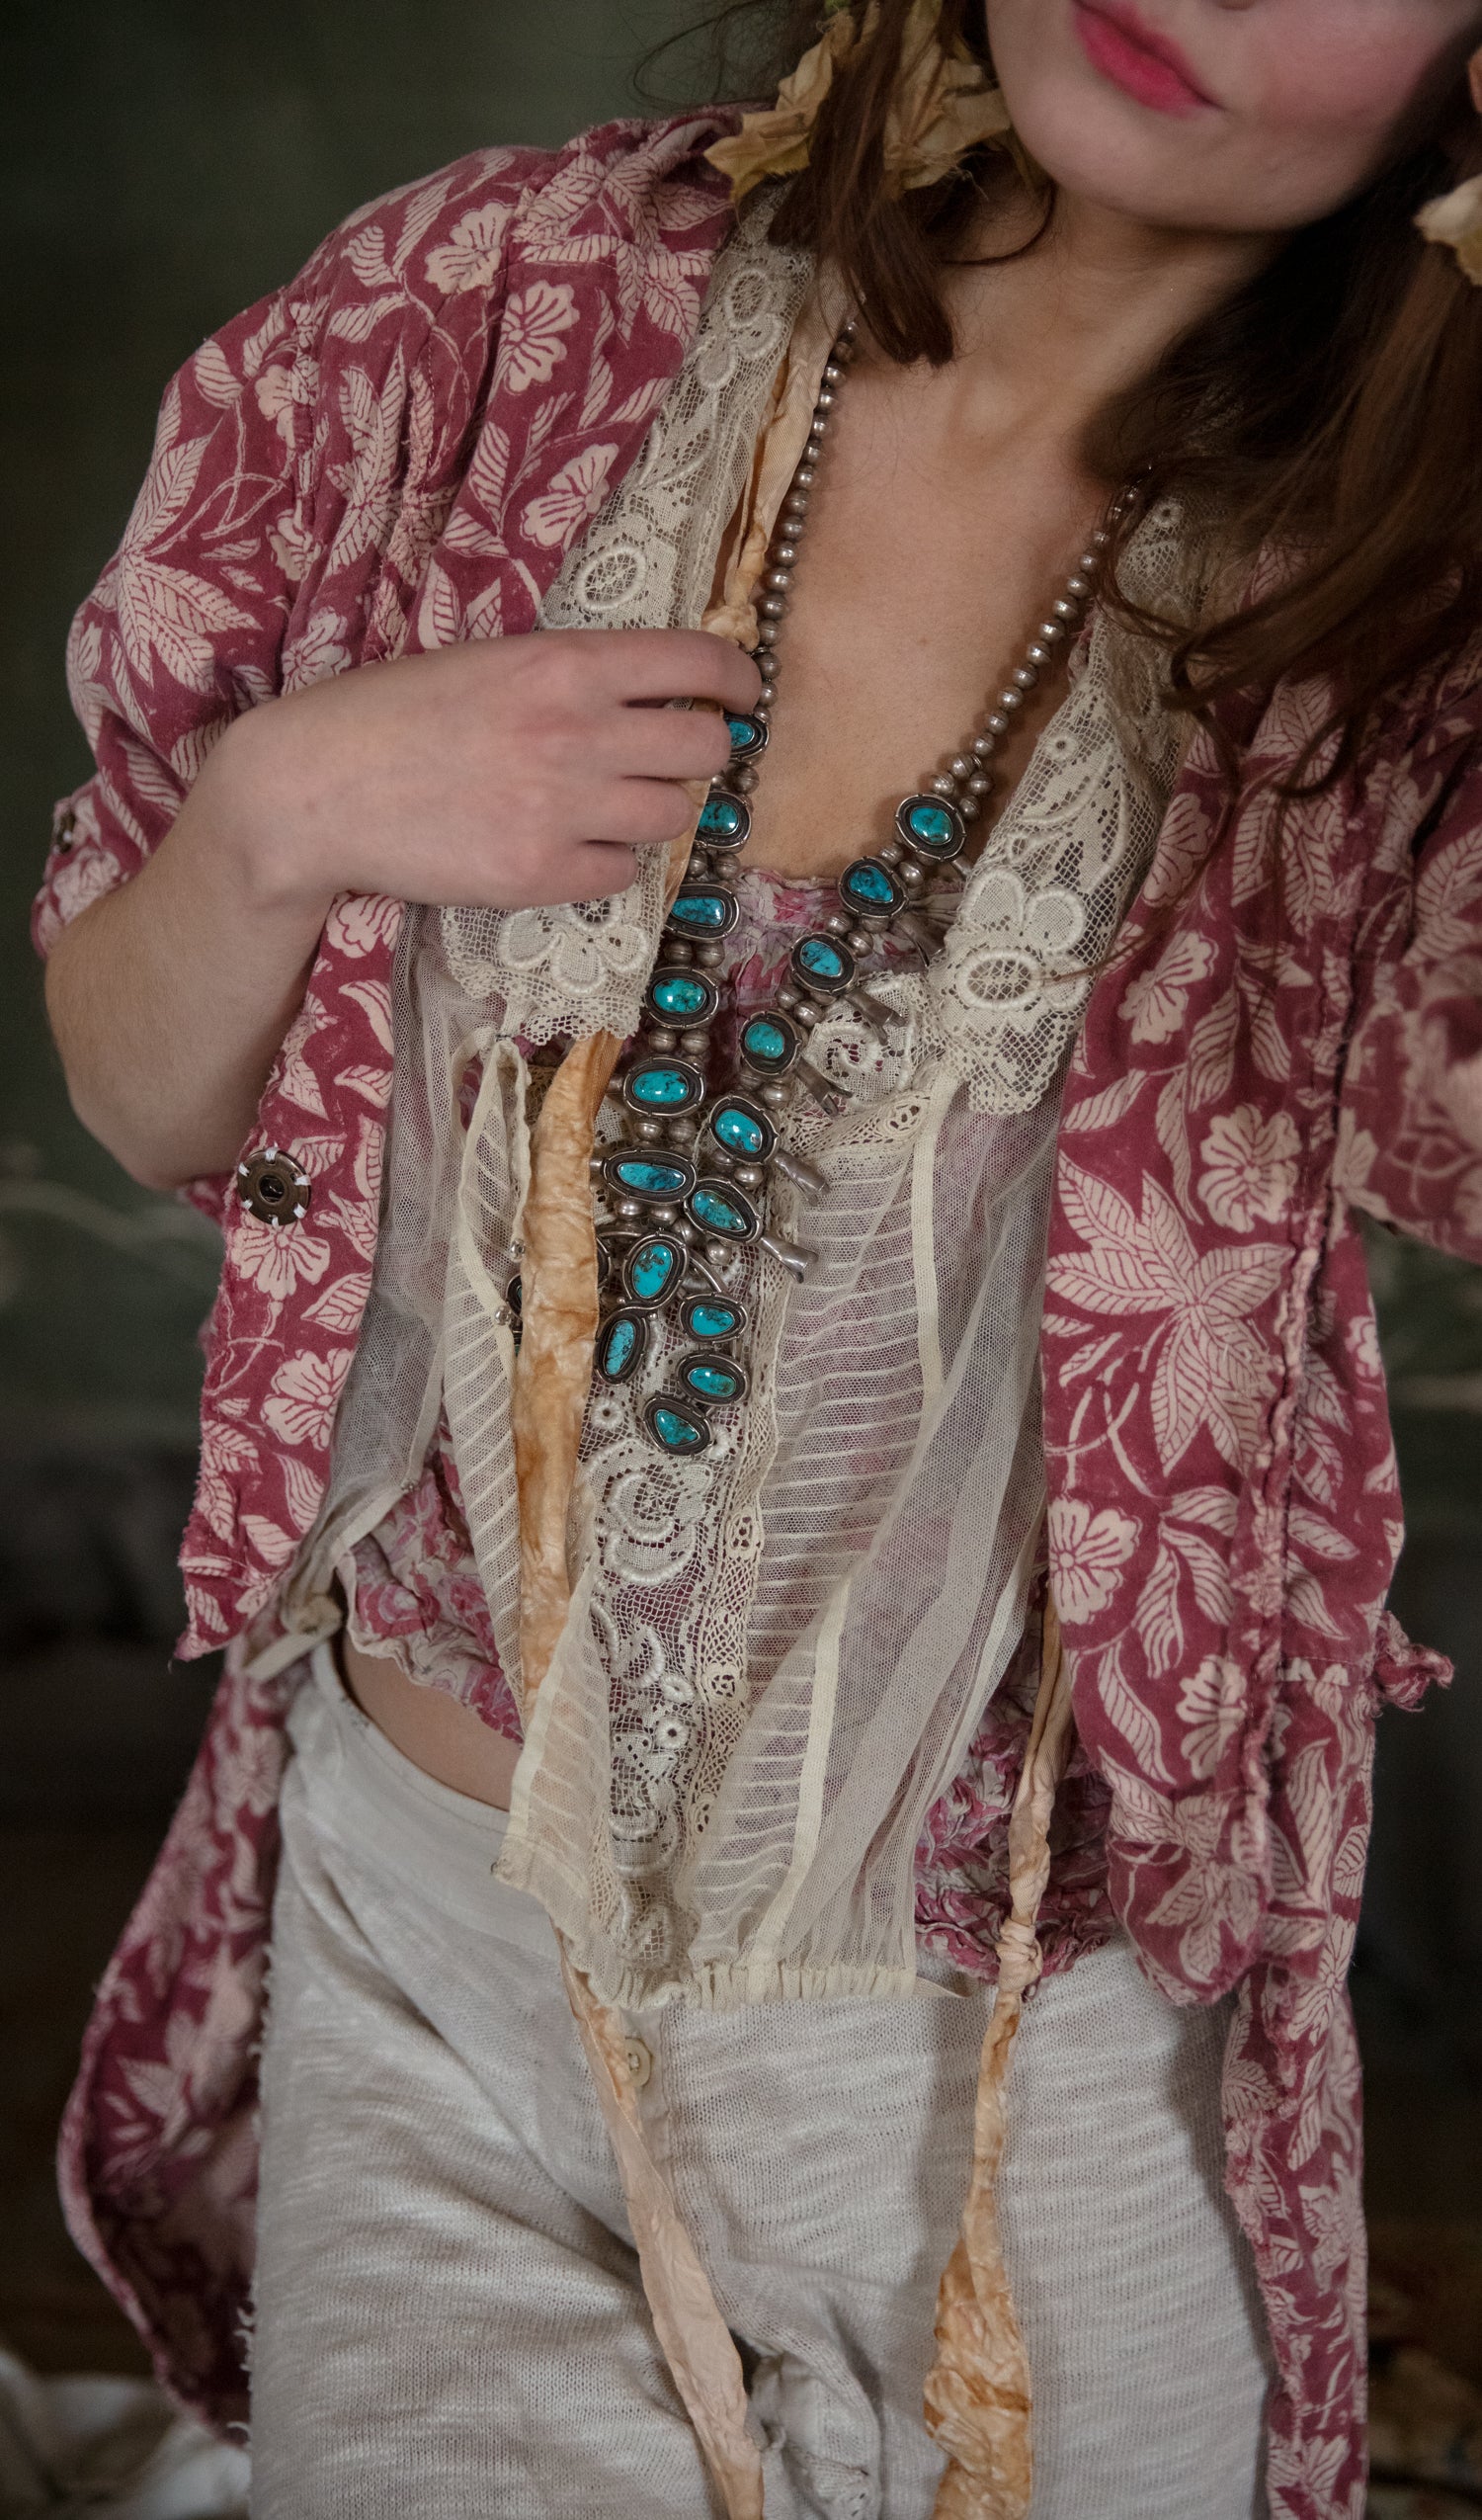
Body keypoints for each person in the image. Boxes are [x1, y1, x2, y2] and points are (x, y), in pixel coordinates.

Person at [36, 1, 1482, 2513]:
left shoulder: (1419, 616)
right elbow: (137, 1086)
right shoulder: (483, 310)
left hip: (1016, 2080)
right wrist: (277, 810)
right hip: (435, 1982)